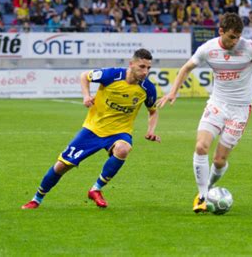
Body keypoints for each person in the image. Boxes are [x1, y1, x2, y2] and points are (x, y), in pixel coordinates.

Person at [157, 13, 252, 213]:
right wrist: (174, 91)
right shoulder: (208, 49)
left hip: (240, 109)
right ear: (221, 32)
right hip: (217, 104)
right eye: (231, 37)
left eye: (238, 37)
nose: (235, 41)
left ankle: (209, 187)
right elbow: (186, 68)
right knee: (201, 146)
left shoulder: (249, 48)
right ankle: (202, 196)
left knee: (219, 160)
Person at [22, 49, 161, 209]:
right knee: (62, 166)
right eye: (141, 66)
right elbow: (84, 76)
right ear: (131, 64)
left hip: (119, 132)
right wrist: (86, 95)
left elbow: (153, 111)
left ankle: (96, 189)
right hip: (93, 129)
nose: (145, 72)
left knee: (123, 149)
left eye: (148, 68)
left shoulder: (148, 88)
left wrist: (151, 130)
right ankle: (36, 199)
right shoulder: (111, 75)